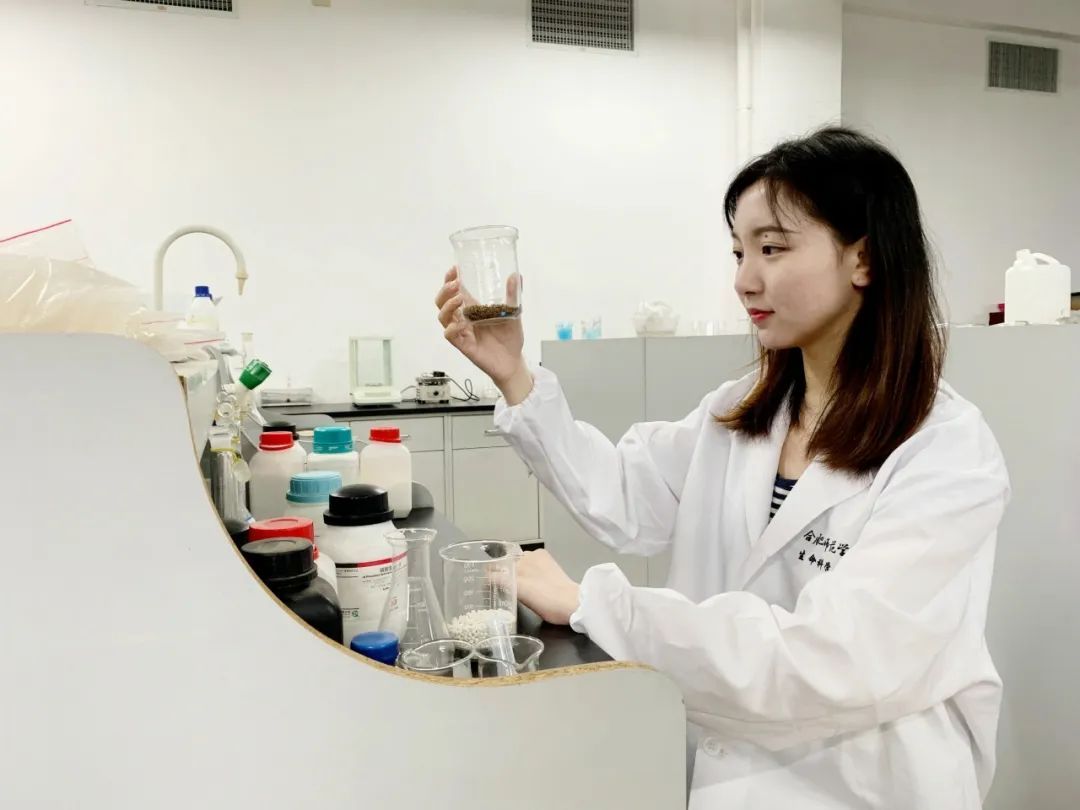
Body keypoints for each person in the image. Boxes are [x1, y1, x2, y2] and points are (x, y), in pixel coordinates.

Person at [434, 127, 1009, 810]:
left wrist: (598, 604)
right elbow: (623, 496)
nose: (744, 280)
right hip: (729, 779)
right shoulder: (742, 412)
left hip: (864, 788)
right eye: (739, 251)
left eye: (772, 248)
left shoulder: (944, 451)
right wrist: (513, 374)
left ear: (863, 257)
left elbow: (833, 661)